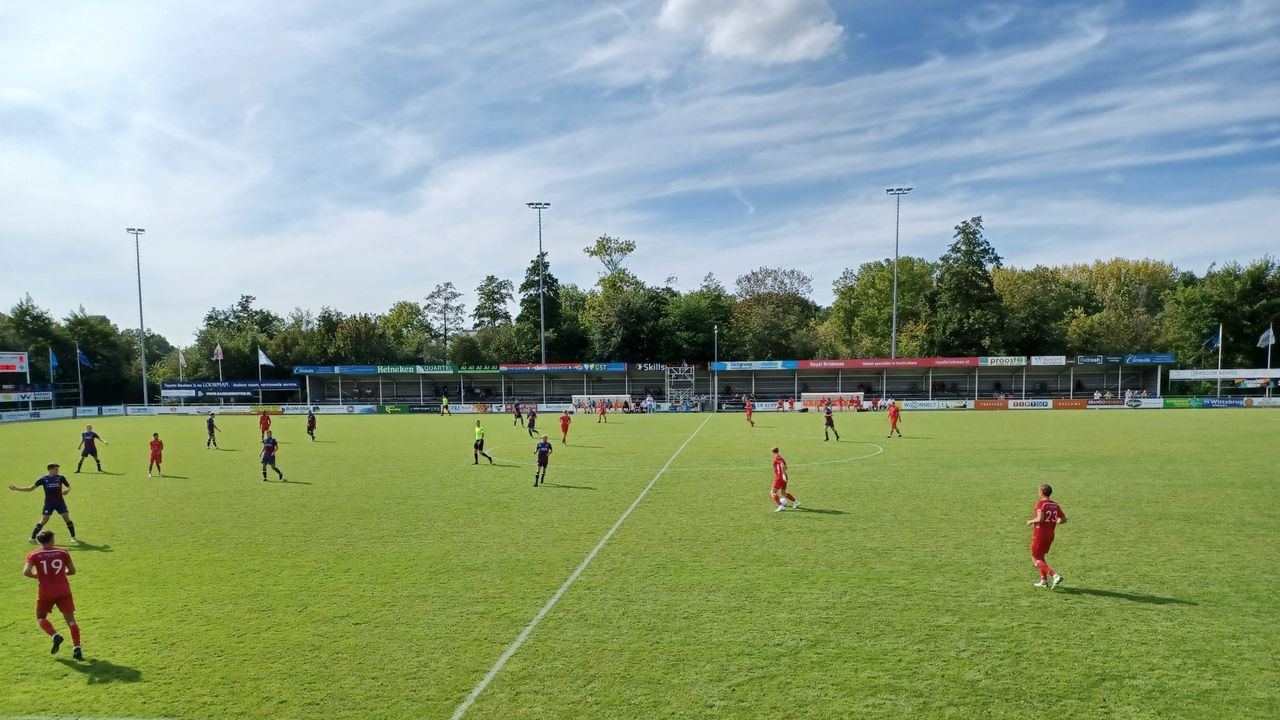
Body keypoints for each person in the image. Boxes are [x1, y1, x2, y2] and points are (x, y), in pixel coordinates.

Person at [24, 530, 83, 660]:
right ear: (52, 540)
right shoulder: (63, 552)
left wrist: (38, 576)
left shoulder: (33, 554)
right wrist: (61, 573)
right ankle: (77, 648)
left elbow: (26, 572)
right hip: (63, 589)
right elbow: (72, 571)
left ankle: (55, 635)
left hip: (46, 591)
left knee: (40, 617)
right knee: (71, 621)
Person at [10, 464, 77, 544]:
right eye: (56, 469)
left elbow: (69, 486)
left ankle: (73, 537)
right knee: (44, 520)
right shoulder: (43, 479)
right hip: (49, 503)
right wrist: (17, 488)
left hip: (60, 503)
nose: (57, 471)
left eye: (57, 469)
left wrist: (67, 490)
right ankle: (32, 538)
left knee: (66, 518)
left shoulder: (60, 478)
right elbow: (30, 488)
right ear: (50, 469)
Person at [1026, 484, 1066, 588]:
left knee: (1035, 558)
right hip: (1050, 535)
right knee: (1041, 556)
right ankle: (1043, 581)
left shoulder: (1041, 504)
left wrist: (1030, 521)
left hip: (1040, 535)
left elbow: (1040, 519)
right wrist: (1053, 522)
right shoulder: (1055, 505)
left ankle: (1054, 575)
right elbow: (1063, 519)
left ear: (1041, 492)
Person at [770, 447, 798, 512]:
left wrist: (782, 474)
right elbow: (786, 467)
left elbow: (782, 465)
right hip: (784, 476)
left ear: (773, 452)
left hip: (780, 477)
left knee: (772, 492)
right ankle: (796, 502)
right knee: (783, 492)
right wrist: (784, 474)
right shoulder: (781, 458)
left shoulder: (777, 457)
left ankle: (780, 506)